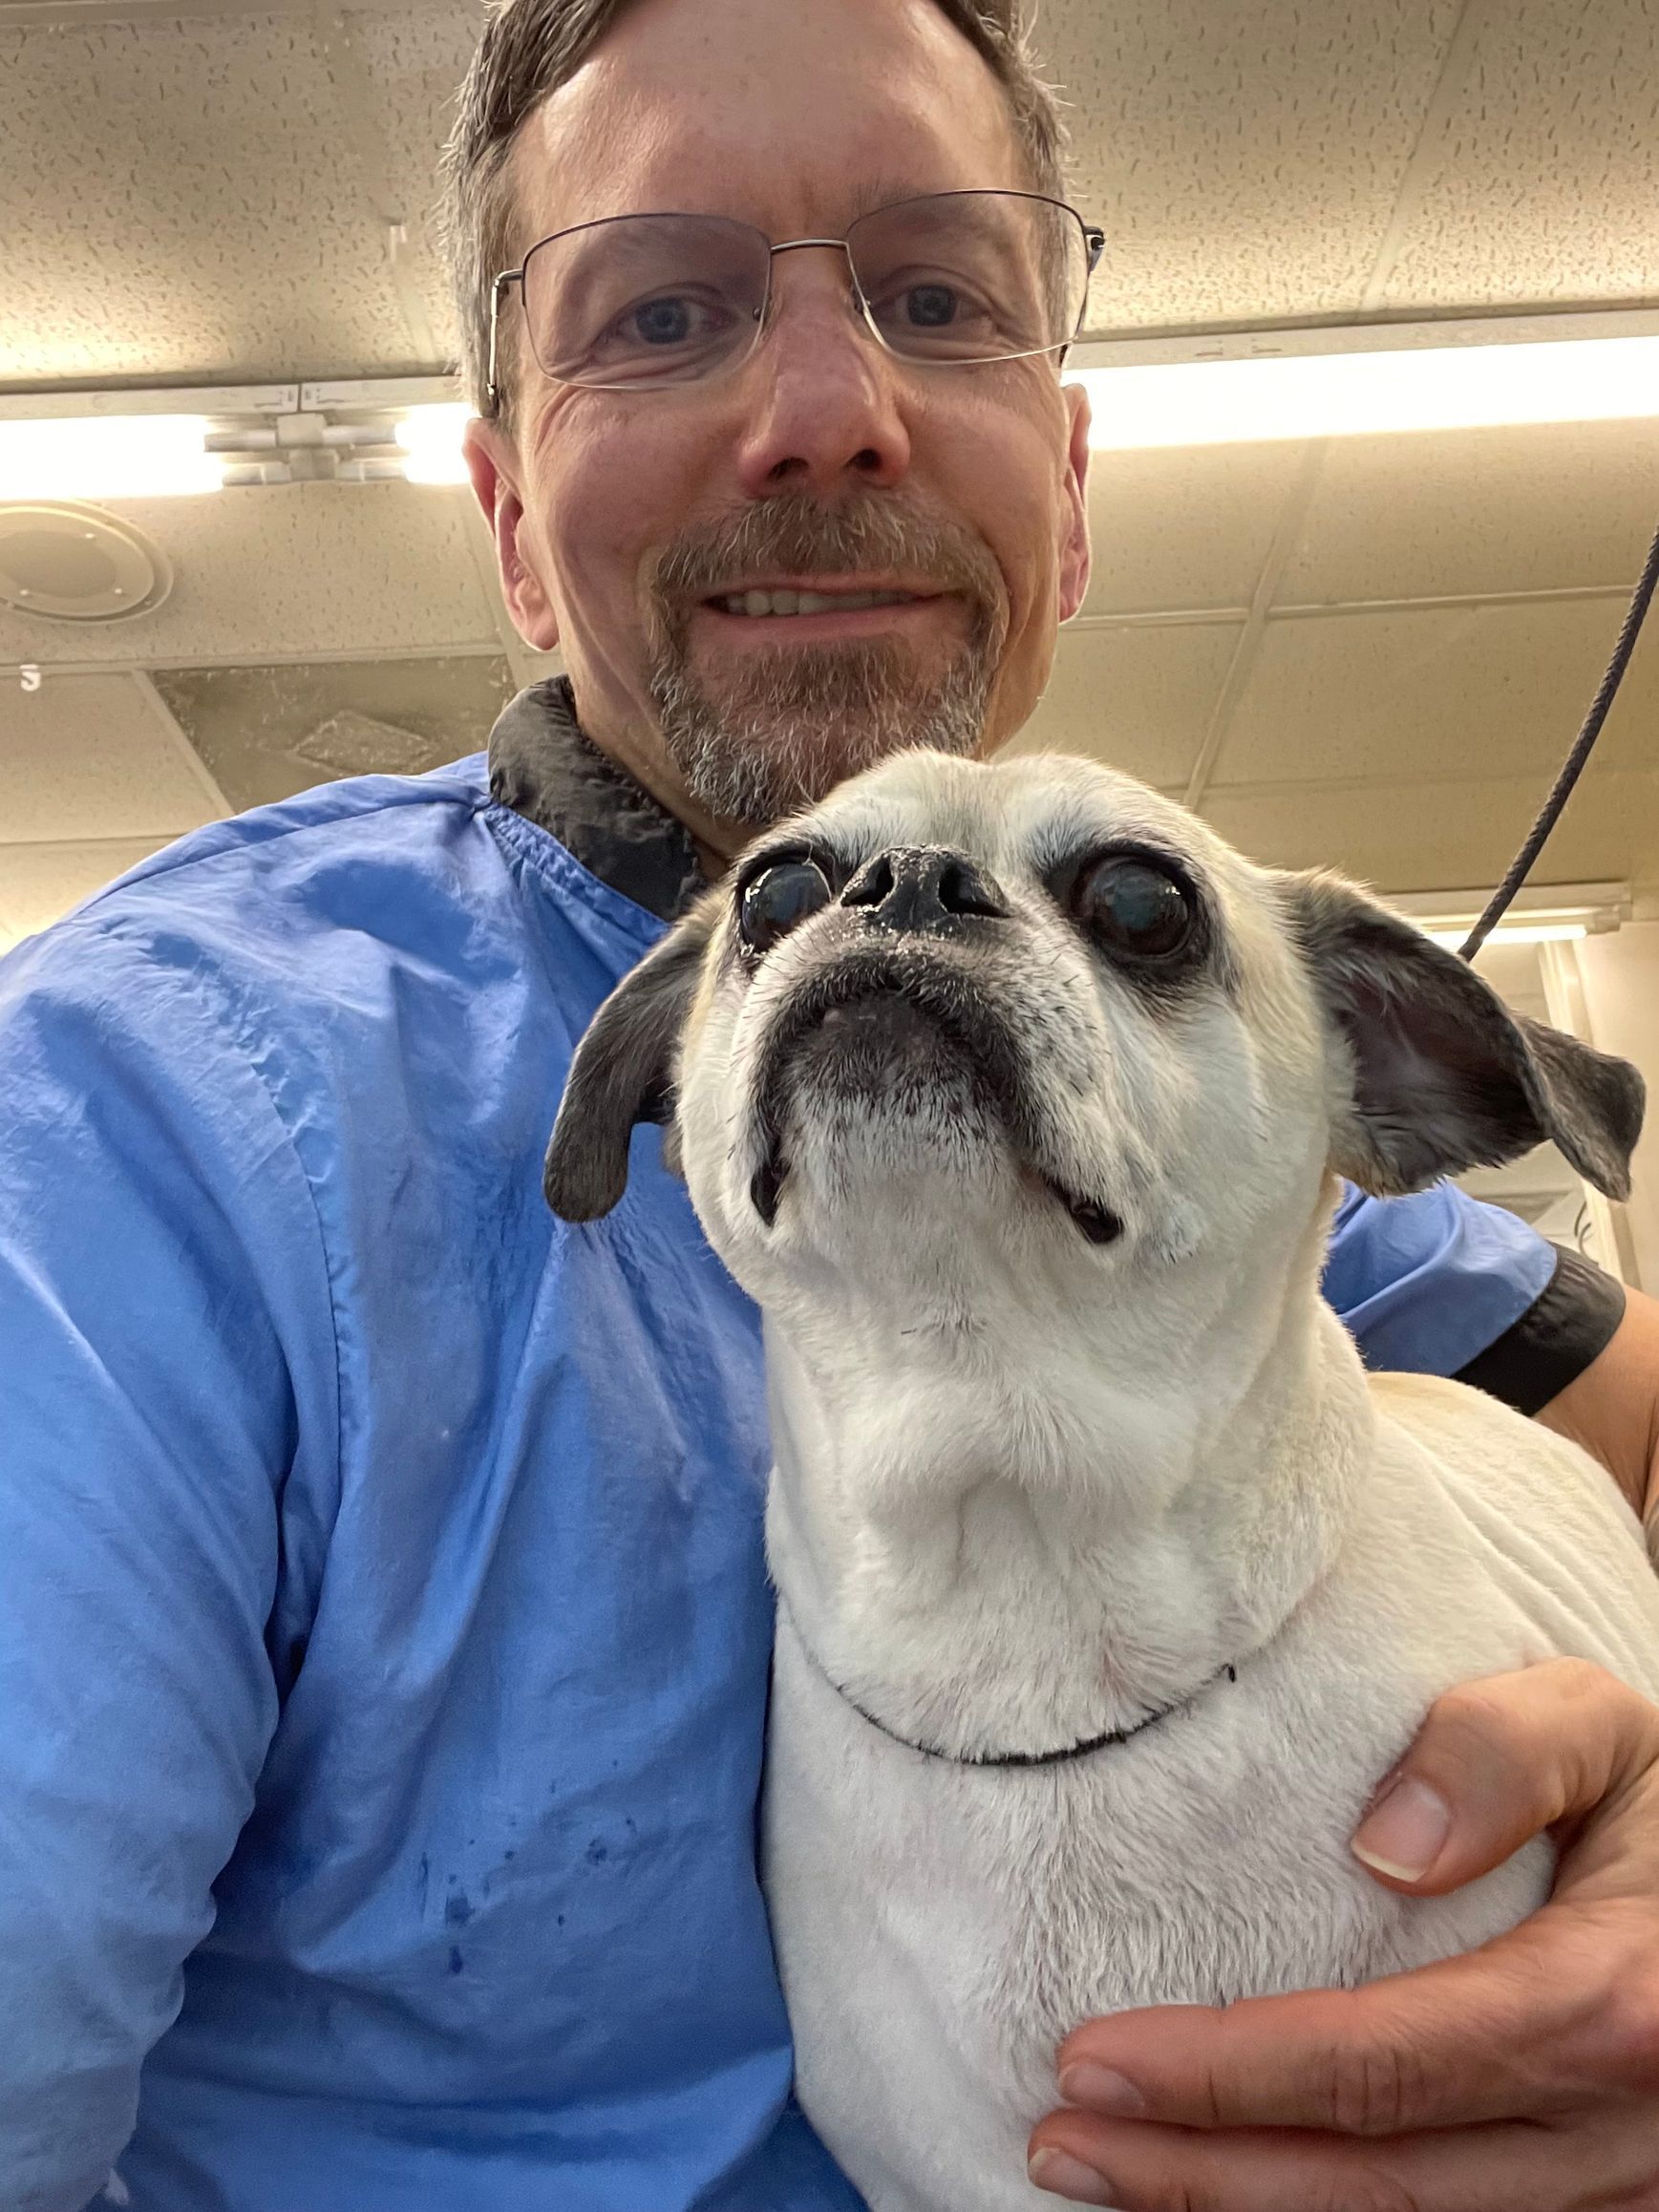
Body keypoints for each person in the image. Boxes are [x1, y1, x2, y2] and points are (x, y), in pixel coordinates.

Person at [1, 0, 1655, 2206]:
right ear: (504, 520)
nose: (823, 412)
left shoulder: (1227, 1134)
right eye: (660, 311)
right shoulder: (125, 1124)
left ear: (1061, 495)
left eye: (937, 295)